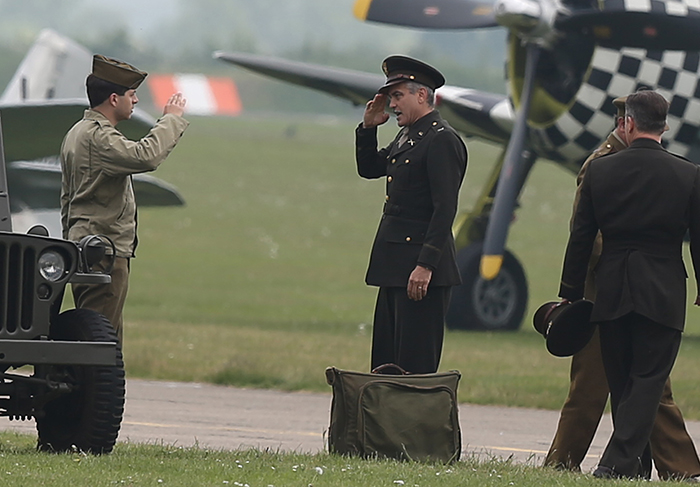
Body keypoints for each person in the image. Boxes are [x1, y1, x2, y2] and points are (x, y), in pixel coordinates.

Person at [545, 96, 700, 481]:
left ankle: (631, 465)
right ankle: (615, 464)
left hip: (610, 290)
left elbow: (580, 237)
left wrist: (570, 293)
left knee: (622, 382)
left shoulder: (601, 171)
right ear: (664, 127)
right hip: (663, 291)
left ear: (628, 123)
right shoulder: (688, 174)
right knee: (648, 381)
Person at [60, 54, 189, 343]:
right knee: (102, 340)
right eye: (132, 95)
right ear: (114, 99)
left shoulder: (77, 132)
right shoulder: (99, 137)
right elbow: (146, 156)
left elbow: (67, 199)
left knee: (94, 332)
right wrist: (171, 119)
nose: (136, 101)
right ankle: (99, 389)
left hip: (86, 244)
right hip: (103, 251)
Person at [355, 55, 467, 374]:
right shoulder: (408, 136)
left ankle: (416, 425)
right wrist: (367, 129)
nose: (392, 105)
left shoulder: (440, 140)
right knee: (386, 365)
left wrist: (426, 264)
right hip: (394, 266)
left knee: (415, 367)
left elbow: (445, 208)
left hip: (420, 272)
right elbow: (369, 169)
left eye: (398, 96)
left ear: (421, 95)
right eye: (391, 97)